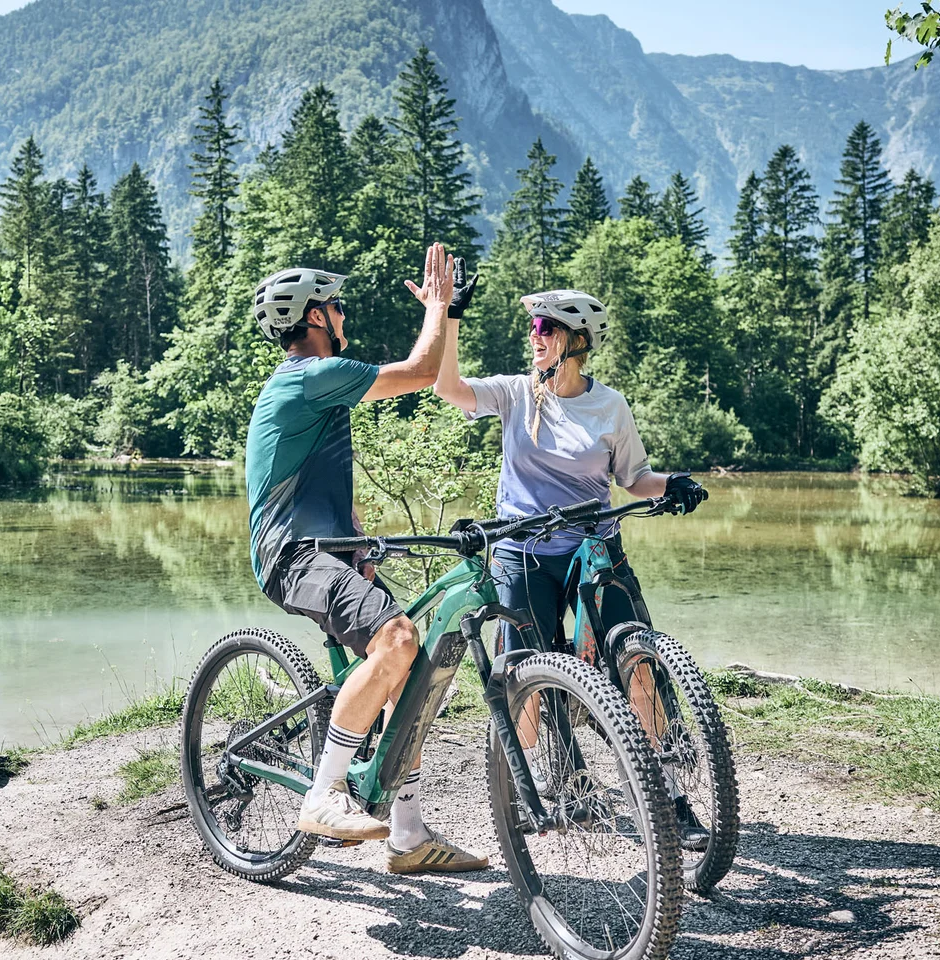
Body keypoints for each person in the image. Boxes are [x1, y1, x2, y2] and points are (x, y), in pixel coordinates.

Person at [428, 288, 713, 845]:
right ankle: (546, 779)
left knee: (638, 665)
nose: (533, 337)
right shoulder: (514, 393)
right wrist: (451, 316)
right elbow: (448, 388)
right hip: (523, 551)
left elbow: (634, 479)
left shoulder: (610, 406)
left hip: (594, 549)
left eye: (545, 328)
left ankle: (673, 793)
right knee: (523, 675)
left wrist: (672, 484)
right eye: (533, 327)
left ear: (577, 342)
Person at [244, 242, 488, 875]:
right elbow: (422, 368)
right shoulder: (310, 376)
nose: (343, 314)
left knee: (409, 673)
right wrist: (440, 307)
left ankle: (406, 836)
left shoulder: (316, 393)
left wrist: (358, 541)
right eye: (338, 306)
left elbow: (318, 479)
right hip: (293, 556)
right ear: (316, 317)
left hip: (326, 547)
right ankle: (326, 793)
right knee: (399, 638)